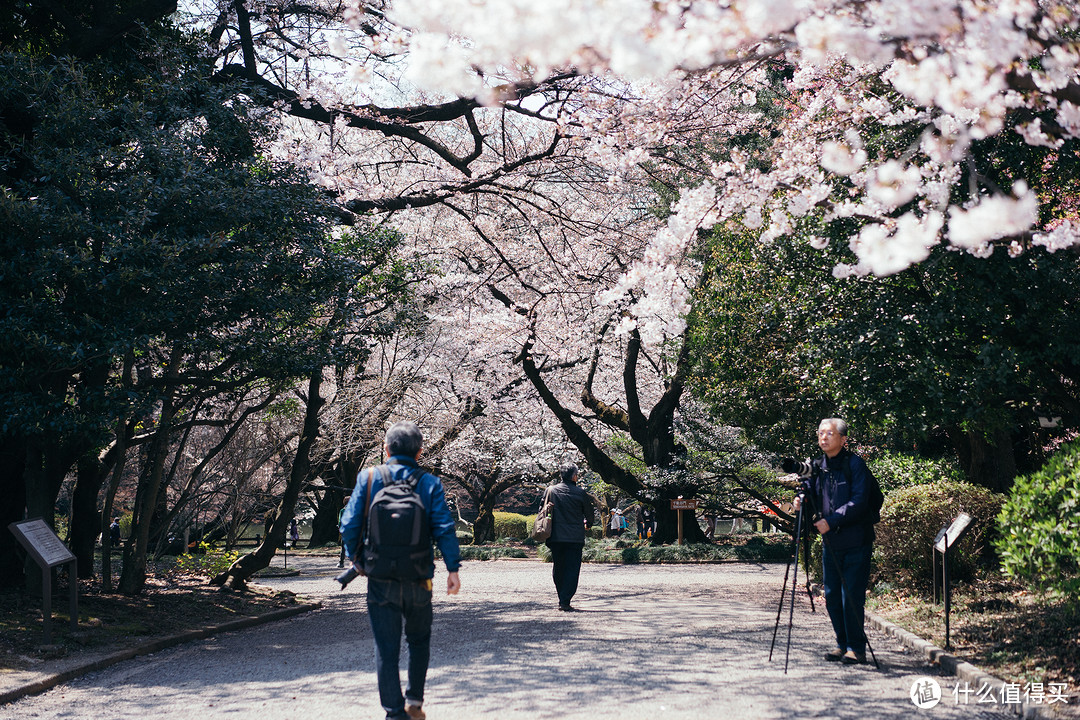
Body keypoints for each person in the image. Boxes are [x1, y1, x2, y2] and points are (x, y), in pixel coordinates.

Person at [339, 421, 461, 720]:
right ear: (419, 452)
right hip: (419, 576)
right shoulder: (429, 483)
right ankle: (415, 701)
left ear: (386, 448)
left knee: (386, 646)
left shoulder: (368, 478)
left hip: (380, 577)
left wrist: (356, 560)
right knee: (419, 640)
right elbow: (444, 527)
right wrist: (453, 569)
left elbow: (349, 524)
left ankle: (394, 712)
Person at [793, 418, 875, 666]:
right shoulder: (817, 465)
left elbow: (860, 500)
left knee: (850, 596)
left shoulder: (855, 464)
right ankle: (842, 644)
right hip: (831, 542)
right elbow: (808, 489)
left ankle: (856, 648)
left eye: (829, 433)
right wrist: (800, 500)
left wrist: (832, 520)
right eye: (820, 433)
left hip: (856, 540)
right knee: (831, 596)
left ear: (843, 439)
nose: (823, 438)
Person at [545, 463, 594, 611]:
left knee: (559, 567)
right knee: (572, 569)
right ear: (574, 476)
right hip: (574, 538)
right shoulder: (580, 493)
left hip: (556, 537)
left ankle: (562, 596)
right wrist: (588, 524)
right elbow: (589, 515)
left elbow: (542, 508)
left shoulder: (551, 490)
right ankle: (565, 599)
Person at [338, 495, 351, 568]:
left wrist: (340, 528)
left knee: (343, 547)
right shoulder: (354, 509)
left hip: (345, 530)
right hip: (353, 529)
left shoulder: (342, 510)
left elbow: (340, 521)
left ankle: (341, 562)